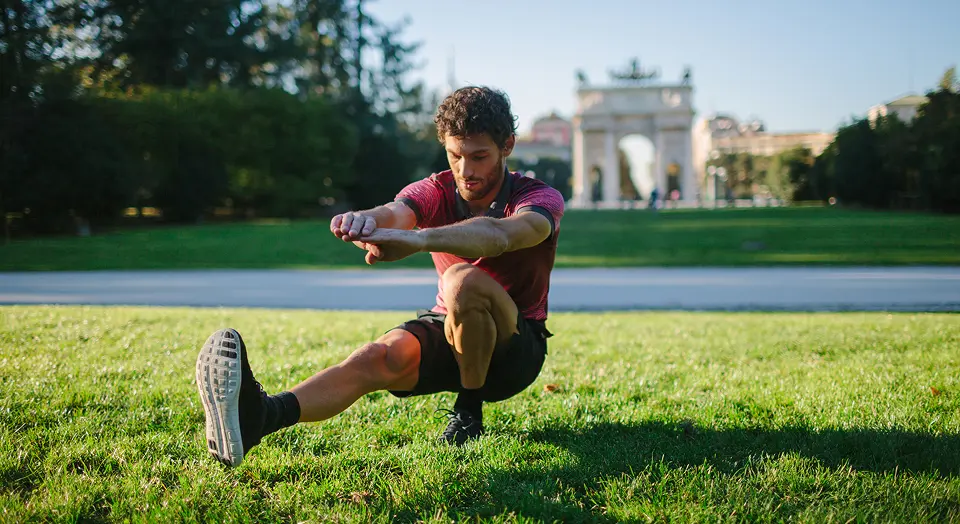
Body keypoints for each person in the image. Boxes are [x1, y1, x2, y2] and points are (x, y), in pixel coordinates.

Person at [195, 86, 565, 467]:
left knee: (461, 279)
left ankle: (468, 411)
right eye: (455, 155)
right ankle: (260, 416)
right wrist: (364, 223)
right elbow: (394, 212)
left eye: (479, 157)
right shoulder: (435, 190)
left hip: (515, 352)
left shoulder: (539, 199)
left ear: (507, 145)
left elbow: (501, 236)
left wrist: (419, 240)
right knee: (378, 357)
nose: (465, 170)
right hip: (450, 326)